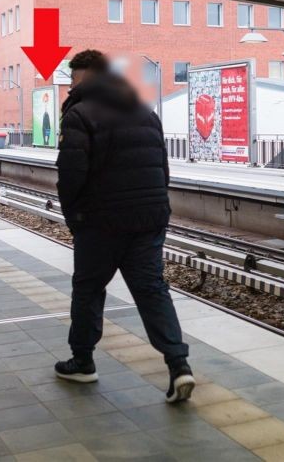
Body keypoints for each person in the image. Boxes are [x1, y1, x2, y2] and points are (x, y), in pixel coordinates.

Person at [54, 50, 195, 403]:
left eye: (73, 79)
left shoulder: (80, 113)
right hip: (148, 219)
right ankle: (179, 366)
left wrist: (74, 218)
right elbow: (163, 171)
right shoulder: (146, 112)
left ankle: (83, 361)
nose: (70, 86)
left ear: (86, 77)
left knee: (88, 289)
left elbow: (70, 177)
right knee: (151, 289)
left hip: (101, 222)